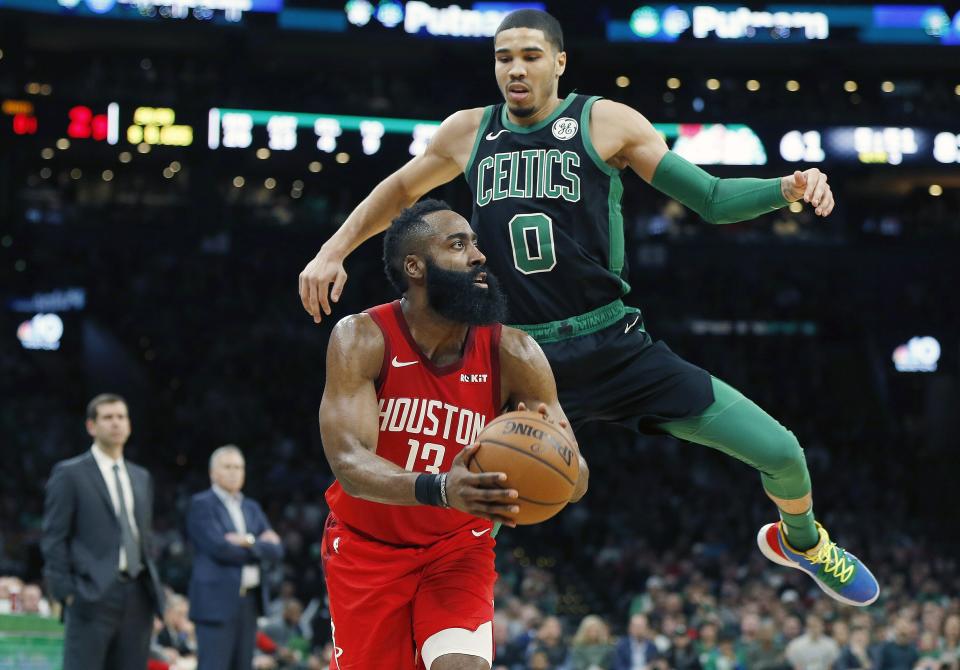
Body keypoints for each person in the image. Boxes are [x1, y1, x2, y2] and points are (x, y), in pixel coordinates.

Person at [297, 7, 877, 608]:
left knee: (781, 451)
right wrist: (332, 250)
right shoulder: (468, 132)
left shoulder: (606, 123)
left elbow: (709, 198)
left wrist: (784, 188)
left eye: (530, 56)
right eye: (503, 57)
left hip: (617, 347)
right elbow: (397, 191)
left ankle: (803, 544)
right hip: (518, 360)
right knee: (461, 518)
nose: (515, 69)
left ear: (560, 61)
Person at [318, 199, 588, 669]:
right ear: (415, 266)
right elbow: (349, 463)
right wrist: (442, 488)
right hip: (367, 552)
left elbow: (578, 478)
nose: (479, 256)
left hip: (457, 551)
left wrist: (557, 457)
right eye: (458, 244)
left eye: (476, 243)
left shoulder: (515, 352)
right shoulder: (362, 338)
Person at [41, 393, 165, 670]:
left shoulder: (141, 477)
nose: (116, 423)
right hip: (91, 595)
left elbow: (143, 536)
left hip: (137, 596)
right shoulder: (69, 474)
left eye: (121, 417)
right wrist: (67, 593)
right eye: (107, 417)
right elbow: (53, 538)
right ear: (91, 426)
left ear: (130, 425)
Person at [187, 445, 284, 670]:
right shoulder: (201, 504)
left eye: (239, 467)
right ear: (213, 473)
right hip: (215, 603)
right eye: (228, 467)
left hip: (249, 603)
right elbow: (219, 548)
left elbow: (277, 550)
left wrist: (246, 541)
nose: (234, 472)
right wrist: (260, 544)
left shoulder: (251, 507)